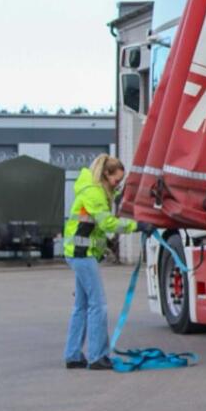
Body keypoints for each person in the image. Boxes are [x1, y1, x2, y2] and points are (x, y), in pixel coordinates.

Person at [63, 153, 136, 370]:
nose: (117, 185)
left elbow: (97, 224)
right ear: (105, 174)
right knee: (98, 305)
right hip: (82, 254)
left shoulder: (95, 189)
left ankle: (73, 355)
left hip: (79, 252)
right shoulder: (94, 193)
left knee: (82, 306)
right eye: (116, 180)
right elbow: (107, 223)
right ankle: (97, 356)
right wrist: (137, 226)